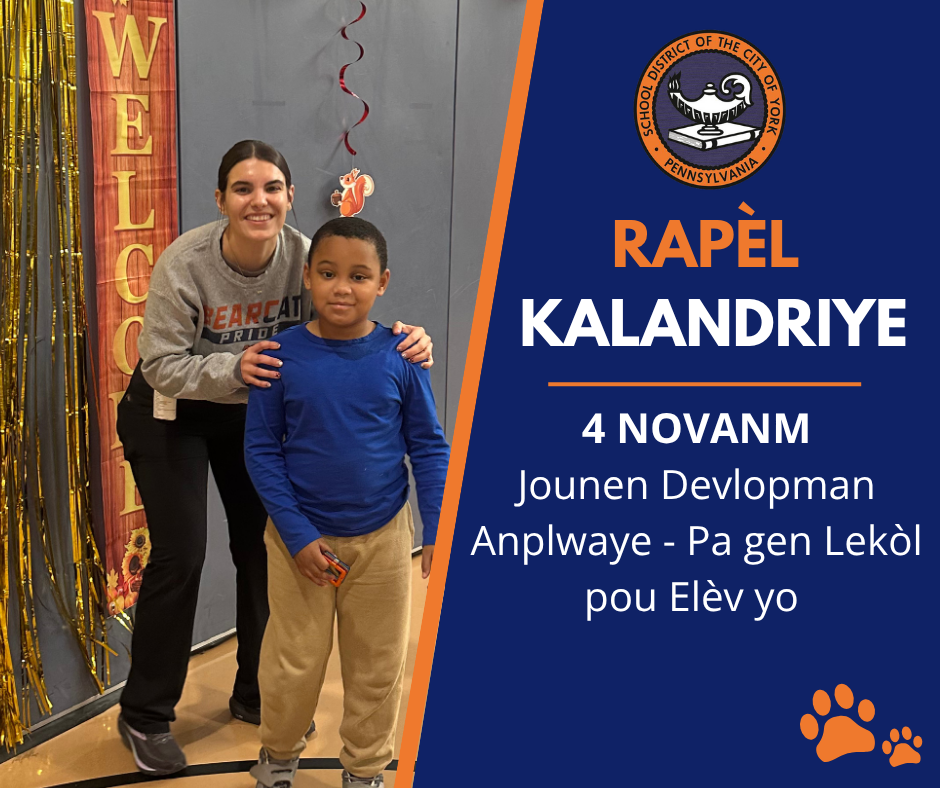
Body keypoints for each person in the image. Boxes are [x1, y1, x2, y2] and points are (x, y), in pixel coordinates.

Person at [115, 141, 434, 777]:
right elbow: (160, 365)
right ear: (221, 199)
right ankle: (145, 713)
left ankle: (255, 694)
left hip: (247, 405)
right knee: (183, 553)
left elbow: (346, 303)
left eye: (271, 188)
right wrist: (235, 367)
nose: (258, 201)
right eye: (242, 188)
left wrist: (406, 338)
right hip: (172, 409)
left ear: (289, 197)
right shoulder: (187, 262)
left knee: (263, 547)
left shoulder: (303, 256)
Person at [243, 217, 449, 788]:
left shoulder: (402, 357)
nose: (342, 287)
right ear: (308, 276)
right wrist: (298, 536)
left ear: (382, 283)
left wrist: (437, 529)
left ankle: (364, 769)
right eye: (329, 273)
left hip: (383, 540)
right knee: (293, 662)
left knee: (378, 666)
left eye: (359, 276)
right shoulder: (279, 357)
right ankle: (278, 756)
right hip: (300, 544)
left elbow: (429, 448)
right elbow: (262, 451)